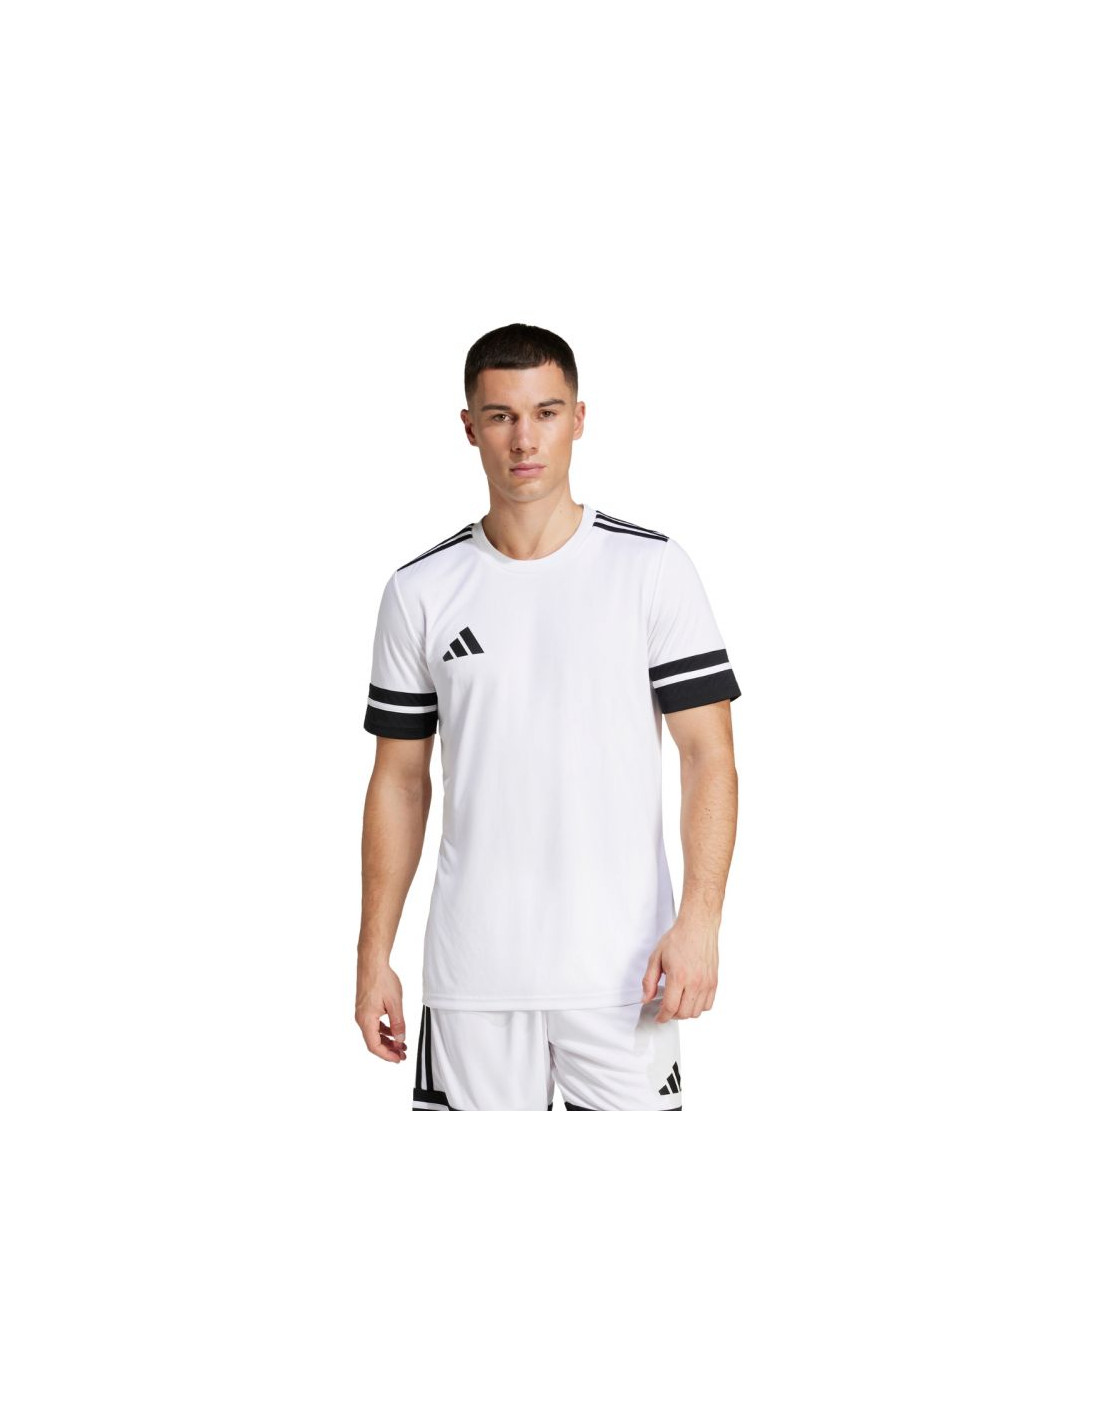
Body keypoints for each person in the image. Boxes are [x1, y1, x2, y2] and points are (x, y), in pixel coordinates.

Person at [355, 323, 741, 1110]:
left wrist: (701, 920)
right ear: (470, 428)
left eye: (546, 412)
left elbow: (709, 757)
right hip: (473, 979)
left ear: (579, 419)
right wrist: (373, 953)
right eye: (501, 416)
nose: (524, 439)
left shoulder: (651, 570)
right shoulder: (420, 590)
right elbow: (399, 782)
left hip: (626, 977)